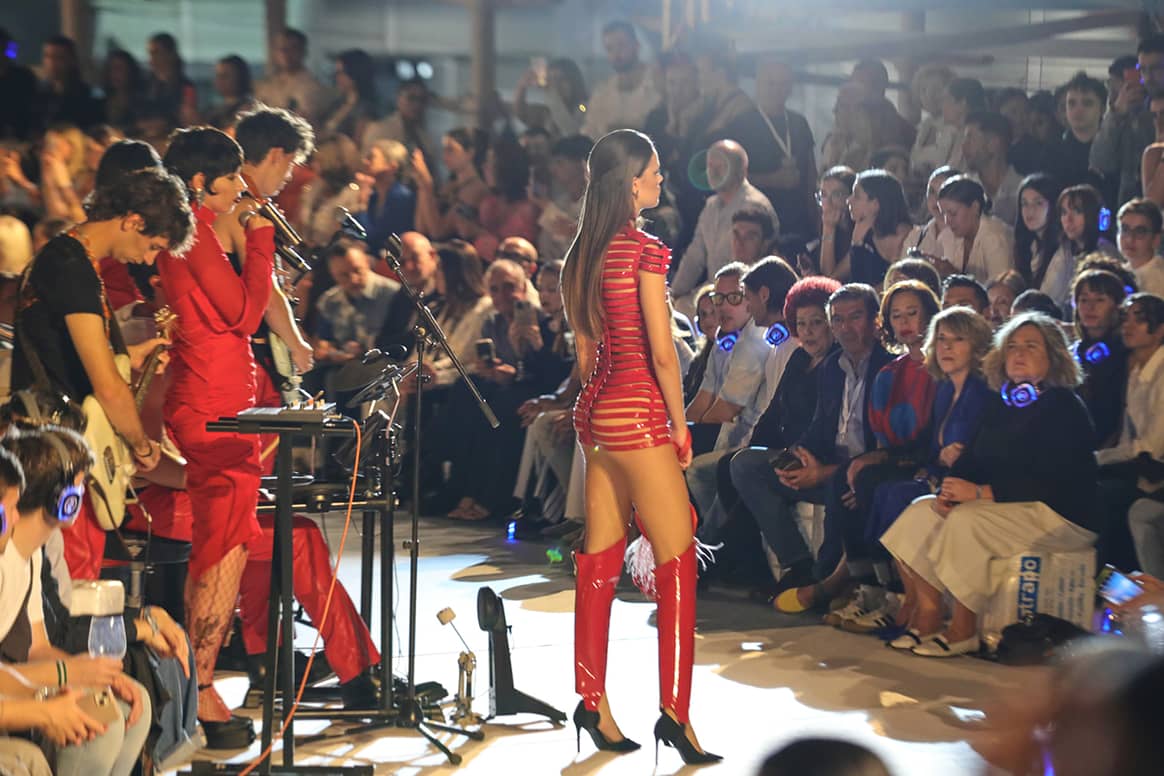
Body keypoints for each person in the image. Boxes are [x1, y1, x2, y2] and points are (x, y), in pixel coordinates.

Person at [561, 129, 719, 764]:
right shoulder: (644, 252)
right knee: (678, 560)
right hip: (639, 414)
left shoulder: (581, 256)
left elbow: (582, 353)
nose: (660, 181)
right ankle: (676, 717)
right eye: (653, 173)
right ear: (630, 182)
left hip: (595, 417)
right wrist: (680, 426)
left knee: (598, 559)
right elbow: (662, 353)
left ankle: (591, 701)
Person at [881, 313, 1099, 657]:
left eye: (1030, 346)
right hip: (1010, 505)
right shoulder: (1002, 403)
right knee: (921, 512)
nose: (1018, 353)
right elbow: (975, 457)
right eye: (1012, 346)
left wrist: (982, 493)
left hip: (1060, 514)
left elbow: (1053, 478)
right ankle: (928, 616)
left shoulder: (1063, 405)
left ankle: (964, 629)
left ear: (1054, 356)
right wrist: (950, 490)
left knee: (968, 521)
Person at [156, 126, 274, 745]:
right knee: (221, 547)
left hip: (220, 397)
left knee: (219, 544)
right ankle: (198, 690)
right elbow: (244, 314)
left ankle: (193, 683)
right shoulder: (195, 229)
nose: (241, 187)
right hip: (213, 403)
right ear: (202, 183)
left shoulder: (195, 228)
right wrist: (261, 241)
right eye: (232, 176)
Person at [0, 426, 152, 776]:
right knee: (101, 726)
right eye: (79, 487)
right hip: (13, 690)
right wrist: (66, 675)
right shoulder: (7, 558)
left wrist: (90, 673)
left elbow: (38, 647)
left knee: (131, 703)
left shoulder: (32, 556)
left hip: (18, 682)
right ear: (62, 498)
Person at [733, 284, 893, 612]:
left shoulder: (888, 368)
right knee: (745, 465)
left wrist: (823, 472)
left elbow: (887, 446)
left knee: (842, 482)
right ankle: (798, 564)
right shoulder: (832, 368)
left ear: (875, 321)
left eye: (855, 318)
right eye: (839, 320)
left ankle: (825, 582)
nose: (846, 327)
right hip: (825, 462)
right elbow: (819, 427)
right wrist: (801, 457)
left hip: (860, 471)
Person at [868, 307, 993, 645]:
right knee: (881, 490)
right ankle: (915, 598)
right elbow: (931, 444)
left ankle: (922, 605)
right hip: (941, 474)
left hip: (969, 481)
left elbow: (985, 453)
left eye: (958, 340)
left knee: (899, 497)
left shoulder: (982, 392)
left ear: (978, 346)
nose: (947, 348)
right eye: (941, 340)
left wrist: (955, 459)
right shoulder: (943, 389)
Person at [671, 140, 778, 311]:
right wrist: (673, 294)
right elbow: (694, 256)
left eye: (721, 166)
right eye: (710, 166)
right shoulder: (711, 206)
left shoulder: (754, 206)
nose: (713, 172)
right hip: (714, 290)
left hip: (742, 297)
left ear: (741, 170)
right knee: (678, 310)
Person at [717, 56, 816, 235]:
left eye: (783, 83)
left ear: (790, 87)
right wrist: (772, 179)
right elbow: (728, 179)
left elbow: (810, 171)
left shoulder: (799, 123)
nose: (777, 90)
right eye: (771, 83)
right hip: (756, 224)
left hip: (798, 221)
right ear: (758, 84)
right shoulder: (741, 125)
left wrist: (815, 216)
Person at [1110, 294, 1164, 577]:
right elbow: (1129, 444)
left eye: (1140, 319)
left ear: (1160, 329)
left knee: (1136, 511)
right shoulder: (1136, 370)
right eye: (1126, 318)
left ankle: (1156, 595)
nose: (1129, 325)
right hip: (1142, 468)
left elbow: (1153, 447)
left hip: (1155, 472)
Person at [1091, 35, 1164, 209]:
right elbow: (1100, 163)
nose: (1148, 77)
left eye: (1156, 69)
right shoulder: (1130, 114)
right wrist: (1116, 113)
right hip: (1133, 213)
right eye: (1143, 70)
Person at [314, 238, 400, 369]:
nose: (353, 280)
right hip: (342, 369)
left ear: (368, 262)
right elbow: (323, 342)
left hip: (384, 366)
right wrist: (332, 353)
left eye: (357, 270)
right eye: (343, 275)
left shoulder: (394, 295)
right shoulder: (329, 301)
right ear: (333, 275)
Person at [1071, 267, 1130, 450]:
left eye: (1100, 300)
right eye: (1084, 300)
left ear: (1117, 306)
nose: (1090, 307)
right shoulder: (1073, 353)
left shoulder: (1125, 354)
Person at [456, 139, 540, 262]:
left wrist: (477, 232)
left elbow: (513, 252)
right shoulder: (489, 202)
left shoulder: (528, 210)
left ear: (506, 168)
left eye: (490, 162)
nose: (484, 167)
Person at [1042, 184, 1117, 311]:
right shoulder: (1065, 250)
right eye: (1064, 212)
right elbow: (1048, 294)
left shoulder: (1105, 252)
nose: (1068, 219)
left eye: (1077, 211)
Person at [580, 21, 661, 137]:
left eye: (621, 45)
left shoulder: (658, 84)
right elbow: (590, 131)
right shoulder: (601, 93)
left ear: (636, 46)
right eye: (609, 48)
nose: (616, 53)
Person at [934, 175, 1015, 283]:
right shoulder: (948, 236)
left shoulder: (994, 238)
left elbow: (1001, 291)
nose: (947, 221)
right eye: (943, 214)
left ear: (975, 208)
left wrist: (953, 273)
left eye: (953, 213)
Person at [847, 169, 914, 288]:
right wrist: (856, 246)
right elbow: (856, 286)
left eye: (856, 196)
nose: (848, 200)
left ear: (876, 204)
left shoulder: (910, 236)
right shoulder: (864, 235)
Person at [254, 27, 334, 126]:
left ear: (303, 52)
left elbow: (304, 120)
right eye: (282, 49)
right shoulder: (267, 83)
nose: (286, 54)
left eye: (293, 49)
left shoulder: (310, 86)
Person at [362, 78, 437, 176]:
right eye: (411, 98)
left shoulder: (425, 137)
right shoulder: (380, 129)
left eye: (422, 100)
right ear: (398, 98)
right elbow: (367, 163)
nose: (417, 105)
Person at [961, 111, 1024, 226]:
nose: (964, 146)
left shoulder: (1022, 190)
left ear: (993, 144)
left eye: (970, 138)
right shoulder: (962, 188)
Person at [356, 138, 416, 256]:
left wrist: (362, 205)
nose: (365, 161)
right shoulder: (374, 197)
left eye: (371, 158)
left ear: (392, 166)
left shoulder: (401, 198)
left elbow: (374, 237)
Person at [31, 35, 102, 132]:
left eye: (59, 58)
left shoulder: (86, 95)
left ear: (72, 60)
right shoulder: (37, 91)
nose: (52, 63)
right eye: (47, 56)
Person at [1013, 173, 1064, 294]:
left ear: (1052, 206)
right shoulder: (1029, 245)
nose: (1030, 210)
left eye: (1038, 203)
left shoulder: (1062, 250)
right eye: (1024, 204)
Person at [513, 57, 588, 138]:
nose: (556, 84)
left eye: (562, 79)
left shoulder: (584, 108)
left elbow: (572, 134)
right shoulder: (546, 111)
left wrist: (550, 92)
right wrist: (522, 87)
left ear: (574, 81)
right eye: (552, 79)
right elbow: (522, 115)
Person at [904, 165, 960, 261]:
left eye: (943, 192)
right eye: (932, 192)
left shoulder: (970, 235)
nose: (936, 199)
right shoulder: (916, 237)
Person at [321, 49, 378, 141]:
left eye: (341, 72)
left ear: (355, 74)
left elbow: (356, 143)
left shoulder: (365, 109)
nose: (337, 77)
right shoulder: (337, 104)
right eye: (336, 72)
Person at [811, 166, 857, 280]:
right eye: (823, 195)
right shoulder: (825, 226)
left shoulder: (862, 229)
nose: (828, 203)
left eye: (837, 195)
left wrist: (829, 227)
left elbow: (830, 276)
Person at [144, 33, 198, 128]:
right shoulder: (144, 85)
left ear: (170, 54)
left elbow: (187, 118)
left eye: (156, 53)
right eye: (150, 53)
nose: (152, 59)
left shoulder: (185, 87)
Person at [1118, 198, 1164, 296]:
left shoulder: (1159, 280)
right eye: (1125, 230)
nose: (1130, 239)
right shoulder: (1119, 272)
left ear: (1156, 239)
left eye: (1140, 232)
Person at [204, 54, 256, 130]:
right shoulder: (213, 110)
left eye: (225, 76)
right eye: (217, 75)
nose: (219, 80)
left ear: (240, 77)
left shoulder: (248, 110)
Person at [99, 50, 145, 133]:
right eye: (112, 68)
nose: (115, 73)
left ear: (130, 71)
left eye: (120, 68)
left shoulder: (142, 103)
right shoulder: (100, 101)